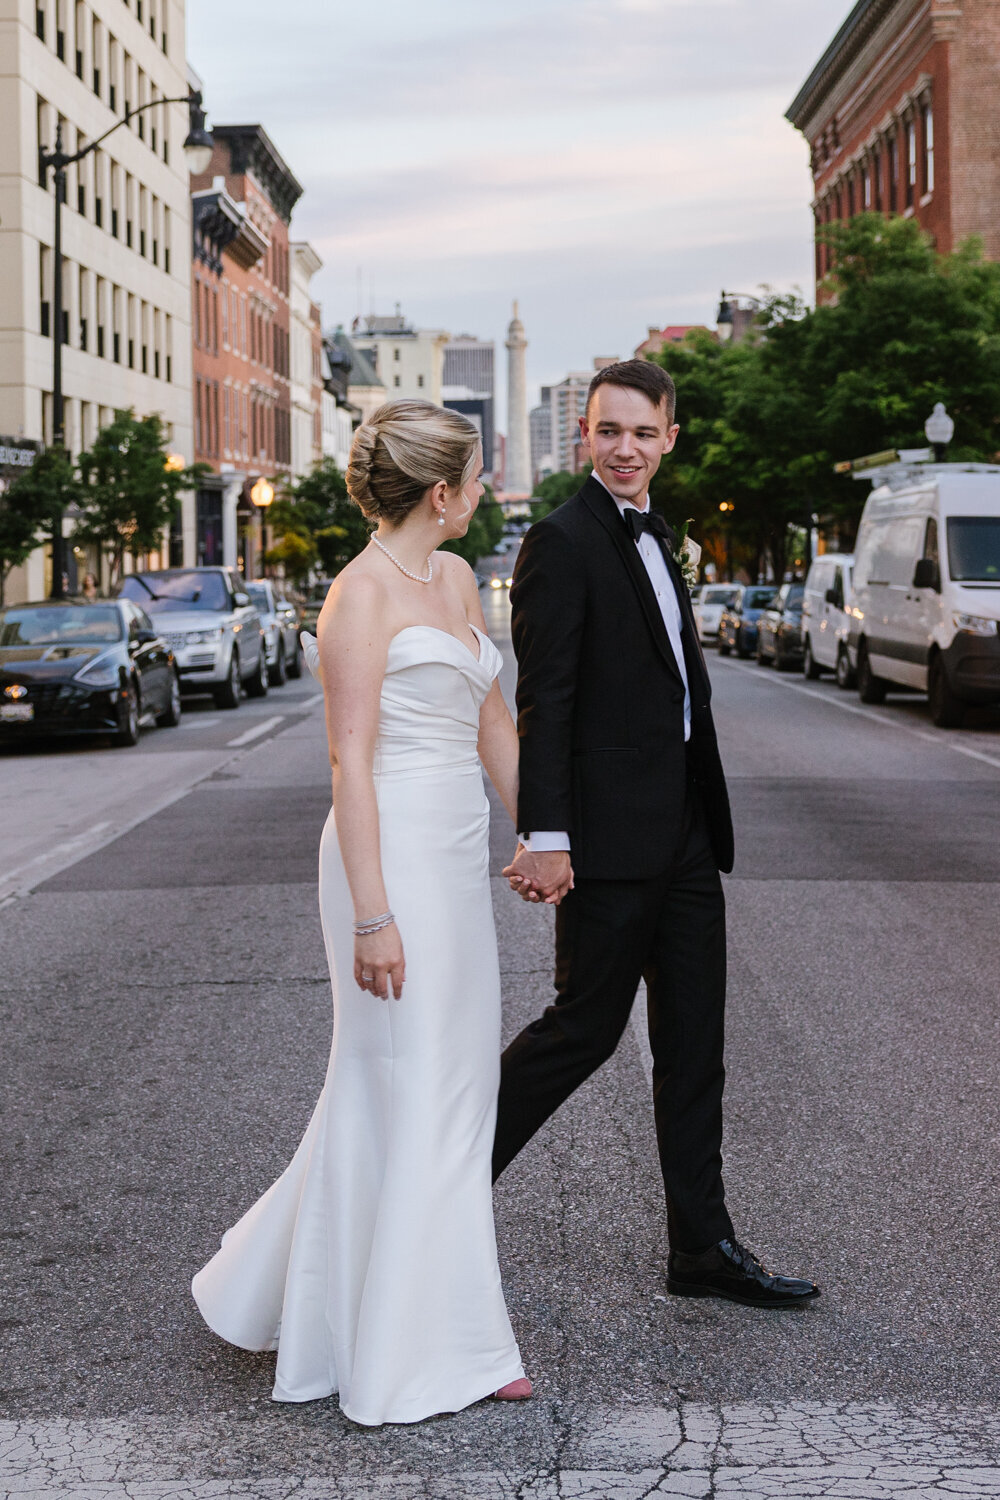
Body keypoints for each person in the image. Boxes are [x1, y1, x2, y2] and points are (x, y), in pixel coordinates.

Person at [192, 401, 541, 1425]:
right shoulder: (357, 597)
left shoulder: (457, 578)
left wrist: (545, 834)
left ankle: (282, 1284)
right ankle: (438, 1346)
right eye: (476, 476)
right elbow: (348, 761)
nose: (482, 491)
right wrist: (371, 919)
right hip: (381, 861)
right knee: (416, 1085)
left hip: (452, 853)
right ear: (442, 492)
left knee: (448, 1085)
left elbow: (490, 718)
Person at [496, 359, 820, 1309]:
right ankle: (434, 1200)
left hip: (683, 835)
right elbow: (542, 701)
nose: (626, 449)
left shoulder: (659, 534)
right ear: (584, 437)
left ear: (670, 439)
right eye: (609, 432)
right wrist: (546, 833)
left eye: (643, 433)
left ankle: (702, 1248)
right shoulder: (560, 542)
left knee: (694, 1044)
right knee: (580, 1035)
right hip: (604, 842)